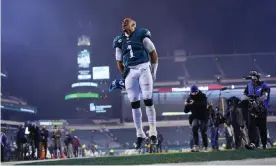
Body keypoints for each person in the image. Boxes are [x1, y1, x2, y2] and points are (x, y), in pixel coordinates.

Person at [112, 18, 159, 150]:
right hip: (130, 71)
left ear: (134, 24)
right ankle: (139, 133)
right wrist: (124, 74)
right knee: (134, 102)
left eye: (126, 22)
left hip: (144, 67)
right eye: (122, 23)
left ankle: (153, 131)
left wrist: (153, 71)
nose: (123, 24)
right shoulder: (119, 40)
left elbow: (153, 53)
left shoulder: (142, 34)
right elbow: (118, 60)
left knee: (148, 98)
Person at [243, 71, 270, 150]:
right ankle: (252, 143)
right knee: (251, 127)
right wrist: (249, 98)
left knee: (262, 128)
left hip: (262, 109)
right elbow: (244, 95)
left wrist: (257, 99)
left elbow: (265, 96)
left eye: (253, 78)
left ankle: (264, 144)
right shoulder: (249, 85)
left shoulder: (264, 86)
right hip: (252, 109)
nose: (252, 80)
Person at [184, 85, 208, 152]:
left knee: (203, 131)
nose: (194, 94)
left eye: (195, 92)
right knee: (194, 129)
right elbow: (186, 111)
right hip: (195, 116)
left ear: (197, 91)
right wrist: (186, 105)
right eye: (192, 92)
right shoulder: (189, 98)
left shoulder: (202, 96)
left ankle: (205, 146)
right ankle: (196, 145)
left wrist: (194, 103)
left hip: (203, 116)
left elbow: (204, 105)